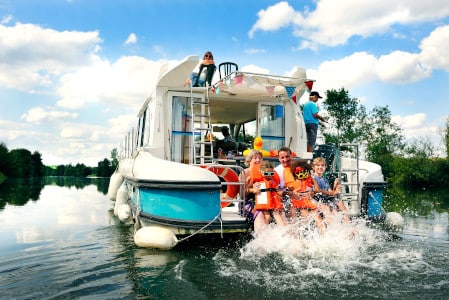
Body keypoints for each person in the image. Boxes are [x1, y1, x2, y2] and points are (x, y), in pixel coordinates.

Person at [284, 159, 325, 232]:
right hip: (298, 203)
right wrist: (292, 193)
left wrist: (312, 192)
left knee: (317, 214)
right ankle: (297, 235)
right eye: (299, 174)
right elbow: (287, 192)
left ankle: (323, 232)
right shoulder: (293, 183)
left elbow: (317, 190)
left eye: (305, 173)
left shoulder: (310, 179)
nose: (302, 176)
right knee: (299, 213)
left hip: (308, 201)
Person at [312, 157, 350, 222]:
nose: (320, 167)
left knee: (339, 202)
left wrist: (335, 187)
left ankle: (348, 222)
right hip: (318, 199)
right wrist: (333, 193)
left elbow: (331, 192)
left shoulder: (325, 180)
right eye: (318, 165)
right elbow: (317, 190)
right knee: (329, 209)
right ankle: (331, 226)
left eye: (322, 165)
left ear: (325, 167)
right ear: (313, 167)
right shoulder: (313, 178)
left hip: (326, 199)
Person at [240, 149, 266, 234]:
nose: (258, 160)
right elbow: (240, 192)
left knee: (276, 211)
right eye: (255, 158)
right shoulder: (245, 173)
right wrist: (252, 189)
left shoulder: (264, 172)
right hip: (247, 202)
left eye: (260, 158)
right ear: (249, 160)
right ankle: (260, 237)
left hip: (263, 201)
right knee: (260, 213)